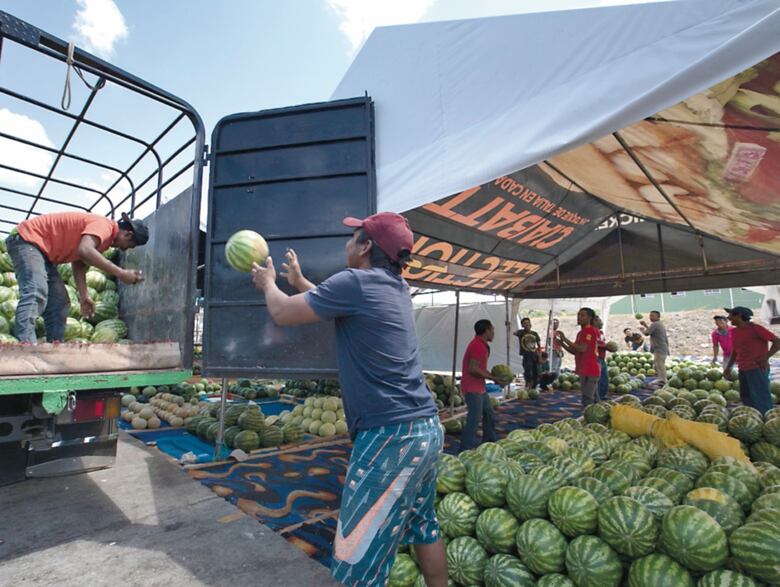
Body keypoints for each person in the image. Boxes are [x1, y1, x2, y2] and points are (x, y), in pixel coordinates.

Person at [249, 211, 446, 587]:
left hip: (390, 437)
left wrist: (268, 283)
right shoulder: (395, 286)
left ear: (366, 246)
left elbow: (282, 311)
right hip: (425, 428)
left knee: (356, 559)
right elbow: (337, 303)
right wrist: (300, 282)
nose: (347, 243)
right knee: (423, 527)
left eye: (353, 237)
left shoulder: (355, 282)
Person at [5, 211, 147, 344]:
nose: (124, 249)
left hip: (43, 254)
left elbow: (79, 263)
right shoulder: (104, 226)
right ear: (128, 235)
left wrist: (84, 296)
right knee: (36, 291)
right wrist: (121, 273)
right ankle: (25, 345)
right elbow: (85, 250)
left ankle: (55, 347)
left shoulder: (104, 240)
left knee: (60, 303)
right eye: (130, 246)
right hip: (27, 240)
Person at [723, 306, 780, 415]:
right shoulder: (734, 331)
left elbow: (777, 342)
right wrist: (728, 368)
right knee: (746, 397)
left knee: (760, 398)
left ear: (739, 315)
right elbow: (735, 351)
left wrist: (765, 357)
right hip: (743, 369)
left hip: (757, 368)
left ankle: (765, 418)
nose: (728, 318)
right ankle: (752, 417)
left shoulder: (756, 329)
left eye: (730, 315)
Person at [459, 319, 498, 452]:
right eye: (492, 330)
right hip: (472, 388)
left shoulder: (481, 344)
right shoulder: (477, 346)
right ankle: (464, 450)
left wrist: (494, 377)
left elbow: (480, 368)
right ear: (486, 330)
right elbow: (473, 369)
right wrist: (493, 378)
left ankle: (489, 443)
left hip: (479, 387)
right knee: (474, 420)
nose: (493, 333)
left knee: (489, 414)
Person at [555, 307, 601, 406]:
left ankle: (589, 414)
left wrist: (565, 339)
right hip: (585, 369)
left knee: (587, 399)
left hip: (590, 369)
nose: (579, 317)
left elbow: (582, 349)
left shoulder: (589, 331)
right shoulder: (581, 333)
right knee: (593, 399)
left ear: (590, 318)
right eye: (578, 315)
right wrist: (562, 343)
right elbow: (574, 351)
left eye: (582, 315)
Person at [639, 311, 669, 384]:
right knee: (658, 364)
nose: (650, 317)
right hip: (662, 347)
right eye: (650, 315)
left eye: (653, 315)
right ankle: (661, 378)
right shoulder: (658, 324)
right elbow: (652, 331)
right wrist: (645, 325)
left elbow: (647, 333)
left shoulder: (655, 324)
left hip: (659, 348)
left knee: (660, 364)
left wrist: (642, 330)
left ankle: (663, 380)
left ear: (658, 317)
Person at [514, 317, 541, 390]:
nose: (527, 324)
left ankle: (534, 386)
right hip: (526, 355)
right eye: (525, 323)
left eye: (528, 323)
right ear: (522, 325)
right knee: (528, 370)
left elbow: (539, 345)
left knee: (536, 371)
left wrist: (540, 356)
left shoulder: (534, 333)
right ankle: (528, 384)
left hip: (534, 355)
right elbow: (514, 333)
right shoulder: (521, 332)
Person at [594, 316, 609, 400]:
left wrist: (606, 346)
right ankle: (596, 397)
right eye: (600, 321)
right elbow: (594, 343)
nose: (602, 323)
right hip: (596, 358)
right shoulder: (593, 332)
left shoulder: (601, 332)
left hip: (602, 358)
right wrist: (606, 347)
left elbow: (602, 342)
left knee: (604, 378)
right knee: (597, 379)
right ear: (594, 322)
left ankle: (602, 395)